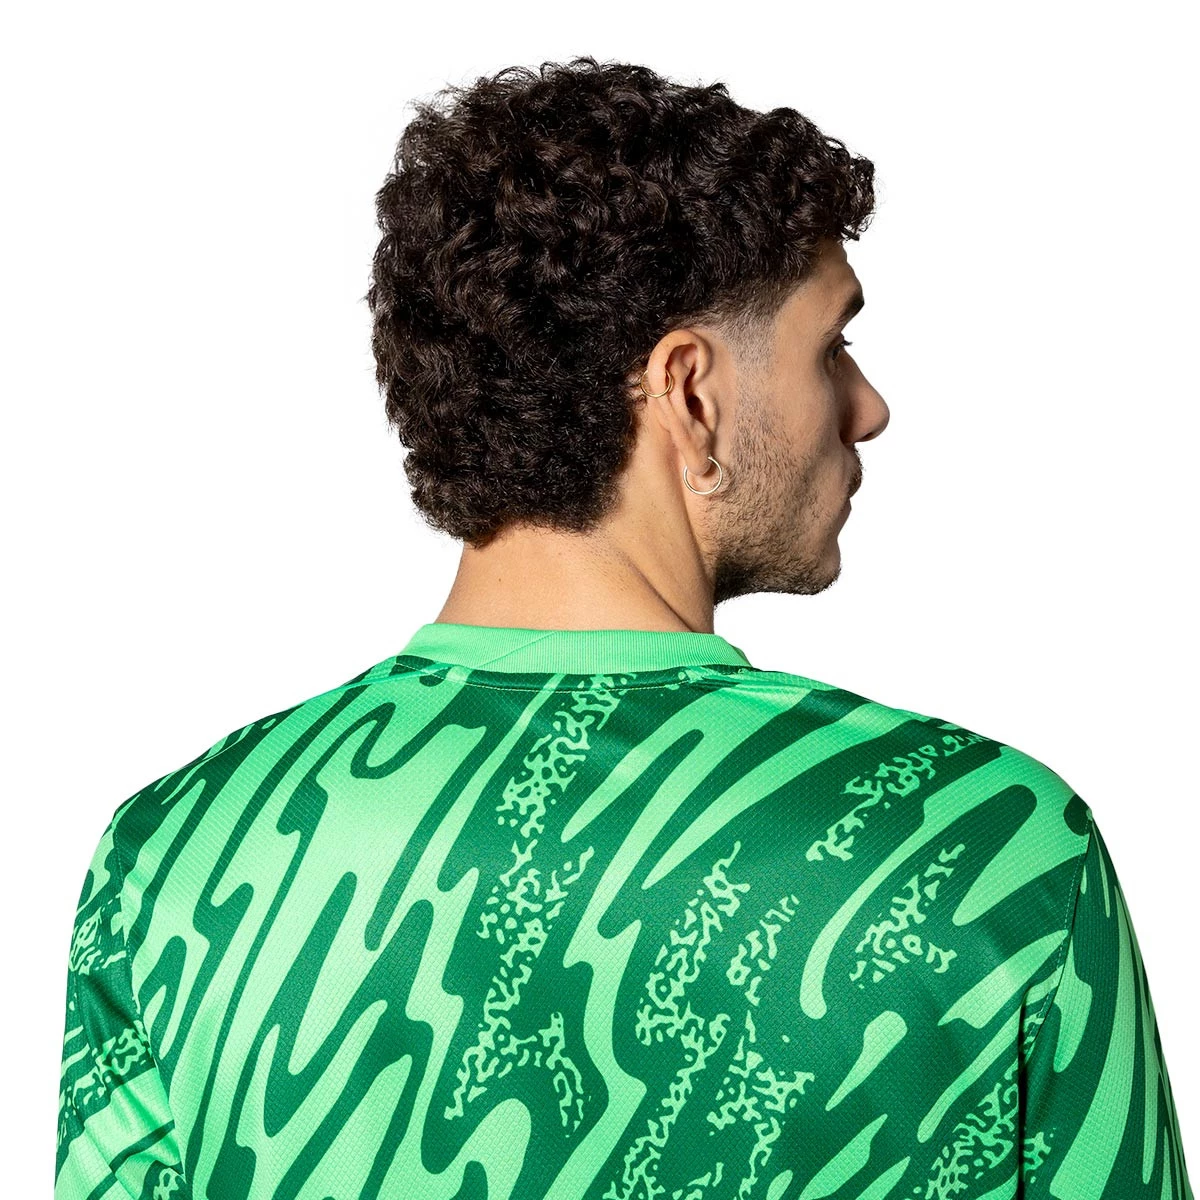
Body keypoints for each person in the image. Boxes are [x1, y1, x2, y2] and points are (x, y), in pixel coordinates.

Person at [55, 56, 1192, 1200]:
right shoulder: (994, 850)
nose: (868, 406)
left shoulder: (171, 860)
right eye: (831, 347)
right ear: (690, 395)